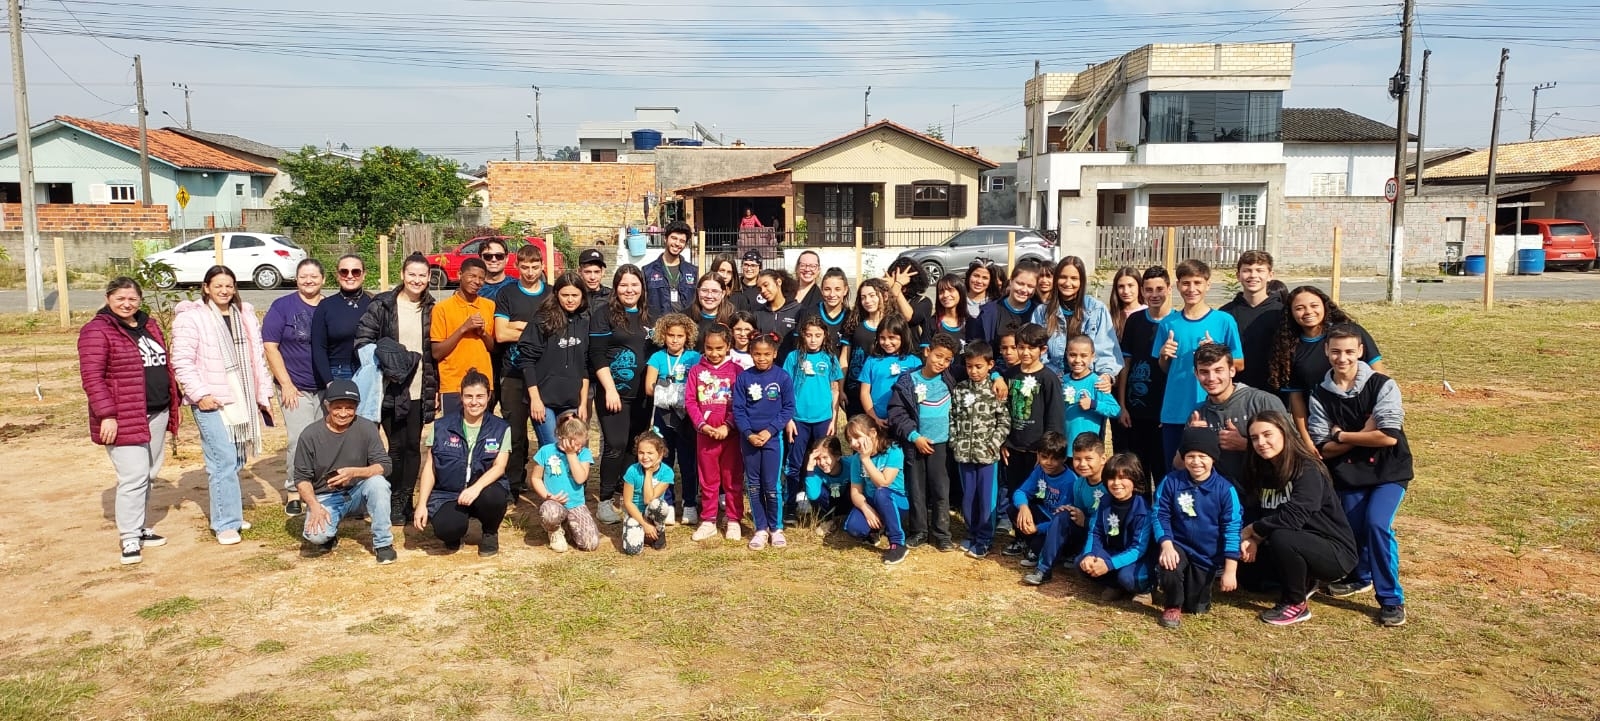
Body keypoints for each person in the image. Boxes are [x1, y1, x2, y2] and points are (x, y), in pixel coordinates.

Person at [1307, 326, 1412, 627]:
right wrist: (1362, 434)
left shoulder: (1383, 385)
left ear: (1360, 352)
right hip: (1349, 474)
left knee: (1377, 524)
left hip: (1388, 471)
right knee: (1353, 529)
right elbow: (1323, 447)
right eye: (1336, 351)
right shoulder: (1319, 394)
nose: (1342, 358)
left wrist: (1341, 435)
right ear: (1326, 351)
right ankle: (1361, 575)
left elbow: (1388, 436)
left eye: (1349, 352)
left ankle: (1391, 599)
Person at [169, 266, 273, 546]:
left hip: (242, 396)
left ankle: (232, 514)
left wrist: (263, 394)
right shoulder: (192, 318)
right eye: (218, 286)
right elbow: (182, 361)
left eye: (229, 286)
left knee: (236, 458)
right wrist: (200, 393)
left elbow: (257, 359)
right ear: (206, 287)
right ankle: (225, 523)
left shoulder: (244, 315)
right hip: (211, 400)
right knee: (222, 460)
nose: (224, 291)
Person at [80, 277, 181, 564]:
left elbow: (163, 365)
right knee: (133, 476)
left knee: (148, 474)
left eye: (132, 298)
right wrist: (107, 415)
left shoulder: (149, 325)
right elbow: (92, 378)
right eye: (120, 298)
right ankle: (129, 537)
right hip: (124, 415)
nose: (127, 304)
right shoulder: (97, 331)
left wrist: (174, 400)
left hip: (157, 411)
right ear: (108, 298)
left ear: (140, 299)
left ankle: (140, 527)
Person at [1240, 410, 1358, 626]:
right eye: (1254, 438)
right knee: (1249, 578)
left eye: (1267, 434)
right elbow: (1257, 509)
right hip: (1289, 542)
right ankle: (1304, 579)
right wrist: (1252, 539)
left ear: (1284, 433)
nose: (1261, 443)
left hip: (1333, 552)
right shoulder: (1261, 469)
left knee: (1282, 537)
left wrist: (1254, 530)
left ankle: (1295, 603)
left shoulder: (1307, 468)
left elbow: (1294, 517)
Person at [355, 253, 439, 524]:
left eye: (422, 275)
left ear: (429, 278)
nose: (417, 280)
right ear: (402, 275)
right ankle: (391, 499)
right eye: (412, 274)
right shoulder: (383, 305)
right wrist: (390, 360)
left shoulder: (432, 308)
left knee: (413, 445)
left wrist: (435, 388)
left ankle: (406, 500)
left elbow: (434, 353)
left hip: (418, 387)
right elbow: (362, 341)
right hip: (389, 386)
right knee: (395, 446)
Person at [292, 379, 396, 564]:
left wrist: (354, 473)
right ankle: (329, 534)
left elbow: (385, 465)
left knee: (379, 484)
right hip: (325, 495)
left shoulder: (367, 428)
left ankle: (383, 544)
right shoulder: (309, 435)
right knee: (316, 536)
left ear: (357, 407)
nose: (343, 413)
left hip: (359, 492)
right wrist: (314, 506)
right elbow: (301, 478)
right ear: (327, 406)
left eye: (349, 408)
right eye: (337, 407)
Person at [1271, 286, 1386, 451]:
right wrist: (1307, 440)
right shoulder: (1290, 348)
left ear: (1325, 306)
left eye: (1314, 305)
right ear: (1291, 313)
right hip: (1323, 426)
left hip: (1364, 418)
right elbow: (1296, 400)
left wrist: (1373, 420)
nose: (1308, 312)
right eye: (1300, 308)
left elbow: (1379, 377)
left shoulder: (1349, 333)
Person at [1154, 259, 1243, 473]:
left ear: (1207, 285)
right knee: (1176, 470)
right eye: (1186, 283)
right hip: (1175, 410)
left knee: (1211, 470)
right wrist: (1164, 355)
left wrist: (1216, 351)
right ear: (1178, 286)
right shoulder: (1168, 323)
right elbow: (1165, 368)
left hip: (1211, 410)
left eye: (1197, 283)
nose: (1191, 289)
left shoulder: (1224, 320)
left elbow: (1239, 364)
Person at [412, 369, 510, 557]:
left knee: (495, 496)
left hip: (483, 490)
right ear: (461, 397)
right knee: (447, 528)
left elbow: (500, 467)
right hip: (448, 493)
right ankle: (455, 531)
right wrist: (421, 504)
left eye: (480, 396)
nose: (474, 402)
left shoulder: (501, 427)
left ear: (489, 396)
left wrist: (475, 488)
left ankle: (490, 532)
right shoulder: (441, 426)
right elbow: (430, 467)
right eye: (469, 396)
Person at [1152, 427, 1242, 628]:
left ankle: (1199, 587)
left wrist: (1230, 570)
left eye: (1203, 456)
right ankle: (1172, 605)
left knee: (1196, 607)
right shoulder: (1171, 481)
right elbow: (1159, 514)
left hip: (1206, 554)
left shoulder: (1225, 489)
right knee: (1170, 566)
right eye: (1190, 456)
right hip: (1178, 544)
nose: (1196, 462)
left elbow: (1232, 528)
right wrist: (1166, 544)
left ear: (1213, 459)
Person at [590, 264, 655, 525]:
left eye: (634, 284)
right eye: (623, 285)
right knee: (615, 444)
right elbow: (597, 354)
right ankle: (605, 500)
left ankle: (628, 495)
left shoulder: (651, 317)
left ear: (642, 287)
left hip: (643, 395)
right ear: (616, 288)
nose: (629, 290)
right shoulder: (604, 314)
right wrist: (609, 389)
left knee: (634, 445)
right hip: (613, 393)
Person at [262, 259, 325, 515]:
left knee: (323, 439)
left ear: (323, 279)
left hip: (324, 387)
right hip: (294, 386)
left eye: (313, 276)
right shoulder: (282, 306)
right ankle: (294, 490)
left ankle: (319, 488)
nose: (308, 280)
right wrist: (286, 384)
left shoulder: (329, 306)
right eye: (303, 276)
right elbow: (270, 346)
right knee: (299, 438)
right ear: (296, 279)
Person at [887, 332, 957, 551]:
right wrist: (914, 436)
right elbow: (896, 413)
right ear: (927, 352)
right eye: (938, 356)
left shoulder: (949, 378)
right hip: (915, 443)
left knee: (940, 489)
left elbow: (981, 366)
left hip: (941, 445)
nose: (941, 362)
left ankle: (942, 534)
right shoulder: (908, 381)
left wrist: (996, 376)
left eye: (947, 359)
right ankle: (919, 531)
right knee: (916, 489)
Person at [492, 243, 549, 496]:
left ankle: (549, 483)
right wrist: (533, 329)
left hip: (544, 374)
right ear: (516, 266)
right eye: (525, 267)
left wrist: (518, 325)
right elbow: (501, 334)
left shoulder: (551, 294)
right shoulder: (507, 293)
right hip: (513, 373)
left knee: (547, 432)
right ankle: (513, 485)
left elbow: (553, 333)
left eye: (535, 267)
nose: (530, 272)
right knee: (514, 432)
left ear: (542, 266)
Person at [999, 323, 1064, 539]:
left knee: (1037, 496)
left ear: (1043, 349)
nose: (1025, 352)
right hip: (1014, 449)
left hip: (1038, 452)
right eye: (1021, 347)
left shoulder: (1049, 378)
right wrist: (1004, 441)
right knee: (1016, 492)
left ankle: (1036, 539)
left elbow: (1054, 418)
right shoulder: (1010, 375)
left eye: (1031, 348)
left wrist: (1046, 452)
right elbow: (1003, 412)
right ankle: (1019, 538)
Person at [1192, 342, 1287, 486]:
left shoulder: (1262, 401)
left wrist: (1245, 445)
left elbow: (1294, 451)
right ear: (1196, 374)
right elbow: (1178, 466)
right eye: (1204, 372)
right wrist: (1193, 439)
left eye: (1218, 370)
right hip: (1224, 494)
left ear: (1232, 371)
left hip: (1269, 489)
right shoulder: (1198, 414)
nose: (1211, 378)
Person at [733, 334, 796, 550]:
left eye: (766, 354)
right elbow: (738, 410)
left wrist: (770, 431)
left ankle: (775, 528)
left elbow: (788, 408)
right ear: (751, 354)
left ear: (775, 354)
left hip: (772, 439)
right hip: (749, 440)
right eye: (757, 354)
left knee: (771, 485)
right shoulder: (744, 378)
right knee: (753, 484)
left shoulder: (782, 377)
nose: (762, 358)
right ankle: (760, 528)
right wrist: (748, 433)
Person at [516, 272, 591, 448]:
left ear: (582, 296)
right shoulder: (542, 320)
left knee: (572, 447)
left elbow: (584, 366)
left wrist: (583, 403)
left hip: (571, 401)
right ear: (556, 294)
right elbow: (527, 361)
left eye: (575, 295)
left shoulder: (583, 323)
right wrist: (535, 399)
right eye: (565, 295)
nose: (570, 300)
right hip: (544, 400)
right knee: (552, 449)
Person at [950, 341, 1009, 559]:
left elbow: (1004, 421)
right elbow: (953, 417)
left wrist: (994, 444)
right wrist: (955, 441)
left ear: (990, 365)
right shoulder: (960, 389)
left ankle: (984, 539)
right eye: (969, 366)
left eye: (978, 366)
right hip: (964, 454)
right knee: (969, 497)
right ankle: (972, 533)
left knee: (986, 499)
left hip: (987, 457)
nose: (973, 371)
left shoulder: (995, 390)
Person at [1026, 432, 1110, 583]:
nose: (1082, 464)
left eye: (1088, 459)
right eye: (1078, 459)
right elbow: (1078, 513)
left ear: (1103, 459)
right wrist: (1070, 510)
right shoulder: (1079, 484)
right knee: (1063, 515)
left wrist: (1086, 521)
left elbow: (1113, 523)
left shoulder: (1112, 485)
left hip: (1105, 538)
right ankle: (1044, 570)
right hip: (1086, 533)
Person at [687, 324, 745, 542]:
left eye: (719, 348)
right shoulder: (696, 371)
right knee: (708, 479)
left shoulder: (737, 372)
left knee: (732, 479)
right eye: (709, 348)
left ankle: (733, 519)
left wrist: (727, 426)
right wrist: (702, 425)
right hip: (705, 436)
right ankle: (709, 520)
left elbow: (741, 405)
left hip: (731, 436)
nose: (714, 353)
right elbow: (690, 401)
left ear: (728, 346)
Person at [1117, 266, 1171, 488]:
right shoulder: (1135, 321)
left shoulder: (1176, 322)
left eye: (1159, 289)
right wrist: (1122, 405)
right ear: (1142, 291)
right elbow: (1126, 364)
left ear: (1169, 289)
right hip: (1136, 410)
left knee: (1163, 471)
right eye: (1149, 290)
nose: (1154, 294)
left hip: (1164, 412)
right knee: (1138, 472)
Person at [782, 315, 842, 516]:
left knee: (822, 460)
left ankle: (820, 503)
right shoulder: (793, 357)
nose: (813, 339)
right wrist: (788, 419)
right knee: (794, 462)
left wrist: (833, 419)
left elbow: (835, 390)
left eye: (817, 335)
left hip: (823, 419)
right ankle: (791, 504)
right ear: (802, 335)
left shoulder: (830, 358)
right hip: (798, 420)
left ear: (825, 336)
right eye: (809, 335)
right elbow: (785, 390)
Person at [645, 313, 701, 526]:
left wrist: (682, 392)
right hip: (664, 416)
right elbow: (649, 387)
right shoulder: (657, 358)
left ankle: (690, 503)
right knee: (665, 460)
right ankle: (667, 503)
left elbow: (700, 384)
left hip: (687, 417)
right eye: (671, 335)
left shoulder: (694, 357)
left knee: (688, 462)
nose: (675, 340)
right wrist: (668, 391)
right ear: (663, 335)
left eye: (680, 336)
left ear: (687, 336)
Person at [1075, 453, 1153, 601]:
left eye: (1123, 478)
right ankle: (1115, 586)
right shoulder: (1105, 501)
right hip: (1112, 551)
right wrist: (1090, 554)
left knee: (1127, 577)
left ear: (1135, 479)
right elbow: (1095, 532)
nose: (1116, 483)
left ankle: (1145, 589)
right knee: (1082, 564)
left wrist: (1109, 564)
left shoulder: (1143, 510)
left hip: (1137, 558)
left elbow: (1138, 548)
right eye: (1111, 478)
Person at [1034, 256, 1122, 384]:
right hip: (1052, 380)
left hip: (1087, 381)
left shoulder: (1097, 309)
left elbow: (1106, 349)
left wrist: (1106, 375)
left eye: (1074, 278)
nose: (1067, 283)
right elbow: (1036, 350)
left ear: (1082, 281)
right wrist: (1050, 376)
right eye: (1063, 277)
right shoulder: (1042, 312)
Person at [430, 257, 495, 417]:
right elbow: (437, 352)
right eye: (472, 276)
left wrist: (483, 333)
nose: (477, 282)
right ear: (460, 274)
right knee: (454, 430)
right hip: (453, 384)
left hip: (483, 383)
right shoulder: (442, 308)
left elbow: (494, 348)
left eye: (481, 278)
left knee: (481, 430)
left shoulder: (489, 306)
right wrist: (463, 329)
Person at [842, 414, 910, 565]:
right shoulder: (856, 459)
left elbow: (883, 483)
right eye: (850, 440)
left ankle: (898, 543)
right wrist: (866, 509)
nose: (853, 443)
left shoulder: (893, 450)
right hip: (873, 502)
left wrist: (866, 460)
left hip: (895, 501)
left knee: (881, 493)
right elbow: (855, 492)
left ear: (872, 433)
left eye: (856, 437)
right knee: (853, 528)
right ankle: (877, 529)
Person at [530, 412, 601, 553]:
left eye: (582, 444)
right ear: (561, 438)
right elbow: (536, 478)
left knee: (590, 544)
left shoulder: (584, 453)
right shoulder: (546, 451)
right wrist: (547, 495)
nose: (579, 448)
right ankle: (554, 530)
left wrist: (571, 454)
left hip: (576, 505)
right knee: (549, 512)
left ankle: (570, 527)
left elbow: (580, 478)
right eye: (576, 444)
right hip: (554, 503)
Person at [1008, 431, 1074, 575]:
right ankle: (1029, 543)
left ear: (1063, 458)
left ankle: (1053, 553)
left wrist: (1037, 529)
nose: (1048, 462)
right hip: (1044, 515)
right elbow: (1020, 492)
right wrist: (1024, 507)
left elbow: (1061, 520)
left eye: (1054, 459)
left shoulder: (1069, 481)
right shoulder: (1039, 470)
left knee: (1038, 544)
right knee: (1014, 509)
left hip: (1056, 526)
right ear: (1038, 455)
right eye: (1044, 457)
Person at [1221, 250, 1283, 395]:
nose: (1253, 275)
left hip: (1275, 391)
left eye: (1259, 270)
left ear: (1270, 275)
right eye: (1247, 270)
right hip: (1235, 391)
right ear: (1238, 276)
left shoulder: (1282, 312)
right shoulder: (1225, 314)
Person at [310, 255, 372, 390]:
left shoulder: (374, 304)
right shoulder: (326, 306)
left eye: (355, 272)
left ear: (364, 275)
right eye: (344, 272)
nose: (350, 276)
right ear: (337, 275)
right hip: (339, 373)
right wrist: (329, 381)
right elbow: (318, 348)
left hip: (370, 370)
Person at [972, 260, 1040, 374]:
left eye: (1030, 286)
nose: (1024, 290)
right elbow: (979, 350)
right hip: (995, 373)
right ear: (1011, 281)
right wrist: (994, 375)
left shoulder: (1039, 312)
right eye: (1020, 283)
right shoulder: (989, 312)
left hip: (1030, 374)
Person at [840, 278, 894, 416]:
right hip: (855, 390)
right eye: (863, 297)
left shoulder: (894, 325)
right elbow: (845, 357)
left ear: (885, 296)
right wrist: (840, 389)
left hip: (883, 391)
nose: (867, 301)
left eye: (872, 295)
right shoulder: (855, 324)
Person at [859, 316, 921, 427]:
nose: (886, 342)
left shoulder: (914, 362)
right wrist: (874, 418)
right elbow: (864, 392)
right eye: (882, 338)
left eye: (892, 337)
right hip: (879, 421)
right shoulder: (872, 361)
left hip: (906, 422)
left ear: (903, 336)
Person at [621, 431, 675, 555]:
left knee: (658, 504)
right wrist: (644, 524)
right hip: (635, 512)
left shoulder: (667, 472)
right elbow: (628, 503)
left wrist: (649, 473)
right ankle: (643, 531)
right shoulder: (632, 471)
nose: (645, 457)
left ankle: (658, 530)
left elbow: (648, 500)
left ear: (660, 454)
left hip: (652, 511)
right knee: (632, 550)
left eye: (650, 453)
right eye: (641, 453)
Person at [1061, 335, 1121, 443]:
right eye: (1073, 355)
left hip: (1088, 447)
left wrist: (1093, 404)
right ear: (1067, 355)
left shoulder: (1097, 383)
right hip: (1064, 444)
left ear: (1093, 356)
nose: (1077, 360)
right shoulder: (1062, 381)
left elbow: (1116, 410)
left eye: (1083, 356)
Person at [643, 220, 698, 315]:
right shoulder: (648, 271)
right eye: (674, 238)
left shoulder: (693, 271)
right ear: (665, 239)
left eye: (682, 241)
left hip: (685, 322)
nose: (677, 243)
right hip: (658, 323)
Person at [753, 268, 803, 357]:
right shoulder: (758, 314)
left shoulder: (798, 310)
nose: (763, 291)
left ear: (778, 282)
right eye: (760, 288)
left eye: (766, 285)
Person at [883, 257, 932, 345]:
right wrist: (896, 285)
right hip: (887, 348)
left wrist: (897, 285)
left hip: (914, 351)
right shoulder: (886, 299)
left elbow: (908, 317)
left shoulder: (924, 301)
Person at [800, 435, 849, 524]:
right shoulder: (816, 471)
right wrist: (810, 468)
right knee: (813, 486)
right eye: (818, 458)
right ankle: (826, 516)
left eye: (825, 457)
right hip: (829, 502)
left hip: (846, 501)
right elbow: (812, 495)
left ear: (837, 456)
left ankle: (846, 515)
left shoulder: (850, 465)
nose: (822, 463)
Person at [691, 274, 737, 348]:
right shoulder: (686, 318)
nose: (709, 296)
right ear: (698, 291)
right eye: (704, 290)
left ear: (723, 293)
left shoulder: (733, 319)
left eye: (715, 291)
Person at [929, 274, 968, 348]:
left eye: (950, 290)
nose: (945, 295)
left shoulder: (970, 322)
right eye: (941, 292)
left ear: (961, 292)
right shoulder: (932, 322)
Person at [1107, 266, 1145, 339]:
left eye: (1130, 285)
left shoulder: (1148, 313)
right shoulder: (1111, 316)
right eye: (1121, 286)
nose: (1126, 291)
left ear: (1139, 287)